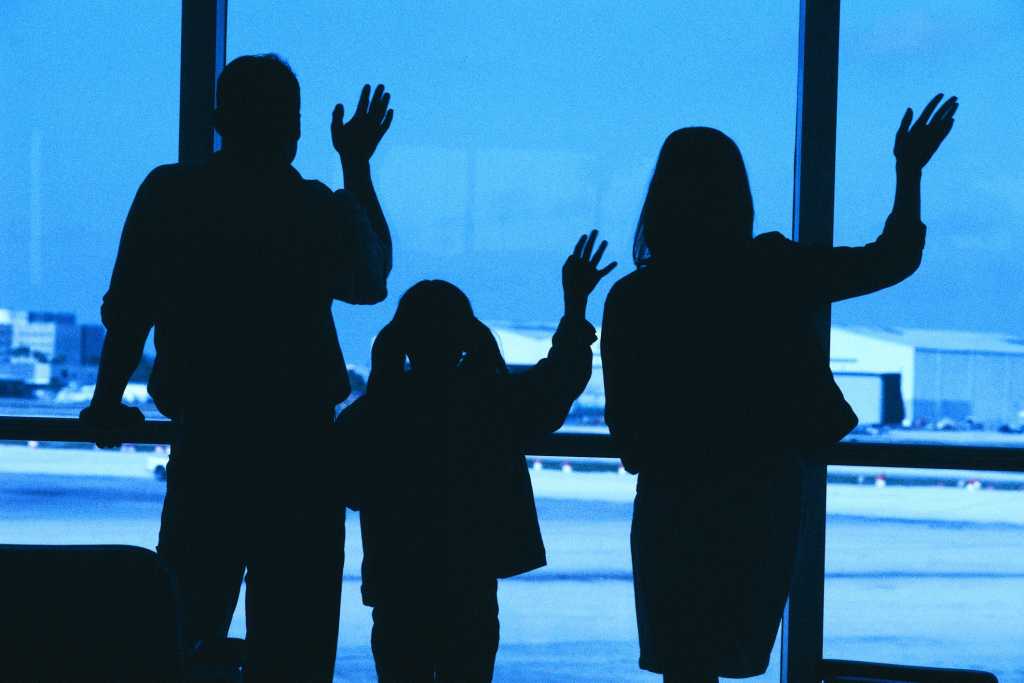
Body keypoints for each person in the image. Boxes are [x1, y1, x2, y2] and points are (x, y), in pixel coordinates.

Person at [600, 95, 958, 682]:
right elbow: (890, 261)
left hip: (673, 501)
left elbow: (628, 422)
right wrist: (909, 174)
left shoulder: (635, 298)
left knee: (685, 665)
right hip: (759, 496)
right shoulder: (771, 269)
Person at [79, 54, 395, 681]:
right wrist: (356, 165)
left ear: (219, 118)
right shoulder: (313, 209)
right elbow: (372, 278)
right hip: (301, 455)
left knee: (179, 633)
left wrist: (109, 401)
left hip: (210, 447)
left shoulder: (171, 196)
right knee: (296, 648)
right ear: (296, 129)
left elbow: (130, 310)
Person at [336, 231, 615, 682]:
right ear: (466, 335)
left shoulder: (376, 415)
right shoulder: (489, 405)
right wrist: (575, 306)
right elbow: (558, 381)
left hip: (397, 587)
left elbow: (347, 482)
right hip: (470, 585)